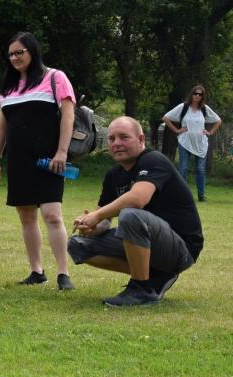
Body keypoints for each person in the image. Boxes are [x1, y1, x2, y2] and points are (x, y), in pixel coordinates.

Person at [68, 117, 204, 307]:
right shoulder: (113, 175)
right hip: (146, 238)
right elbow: (105, 221)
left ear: (141, 139)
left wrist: (97, 215)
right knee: (77, 245)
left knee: (130, 214)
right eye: (112, 138)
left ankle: (141, 289)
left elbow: (137, 199)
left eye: (124, 137)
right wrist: (92, 227)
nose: (116, 143)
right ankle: (156, 276)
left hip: (181, 249)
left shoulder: (153, 160)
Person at [0, 33, 77, 289]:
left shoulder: (55, 78)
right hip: (19, 161)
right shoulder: (8, 87)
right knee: (26, 216)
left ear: (33, 51)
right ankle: (36, 271)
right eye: (11, 54)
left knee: (52, 215)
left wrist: (62, 152)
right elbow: (1, 127)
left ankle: (63, 273)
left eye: (20, 52)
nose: (15, 58)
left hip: (49, 160)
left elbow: (68, 116)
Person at [163, 84, 221, 203]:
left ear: (202, 96)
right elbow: (166, 118)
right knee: (183, 168)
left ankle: (201, 196)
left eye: (200, 94)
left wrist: (210, 132)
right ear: (192, 94)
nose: (197, 96)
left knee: (200, 169)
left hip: (200, 143)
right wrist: (177, 130)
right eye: (195, 93)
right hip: (185, 142)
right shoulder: (183, 107)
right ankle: (182, 196)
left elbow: (218, 120)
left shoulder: (204, 109)